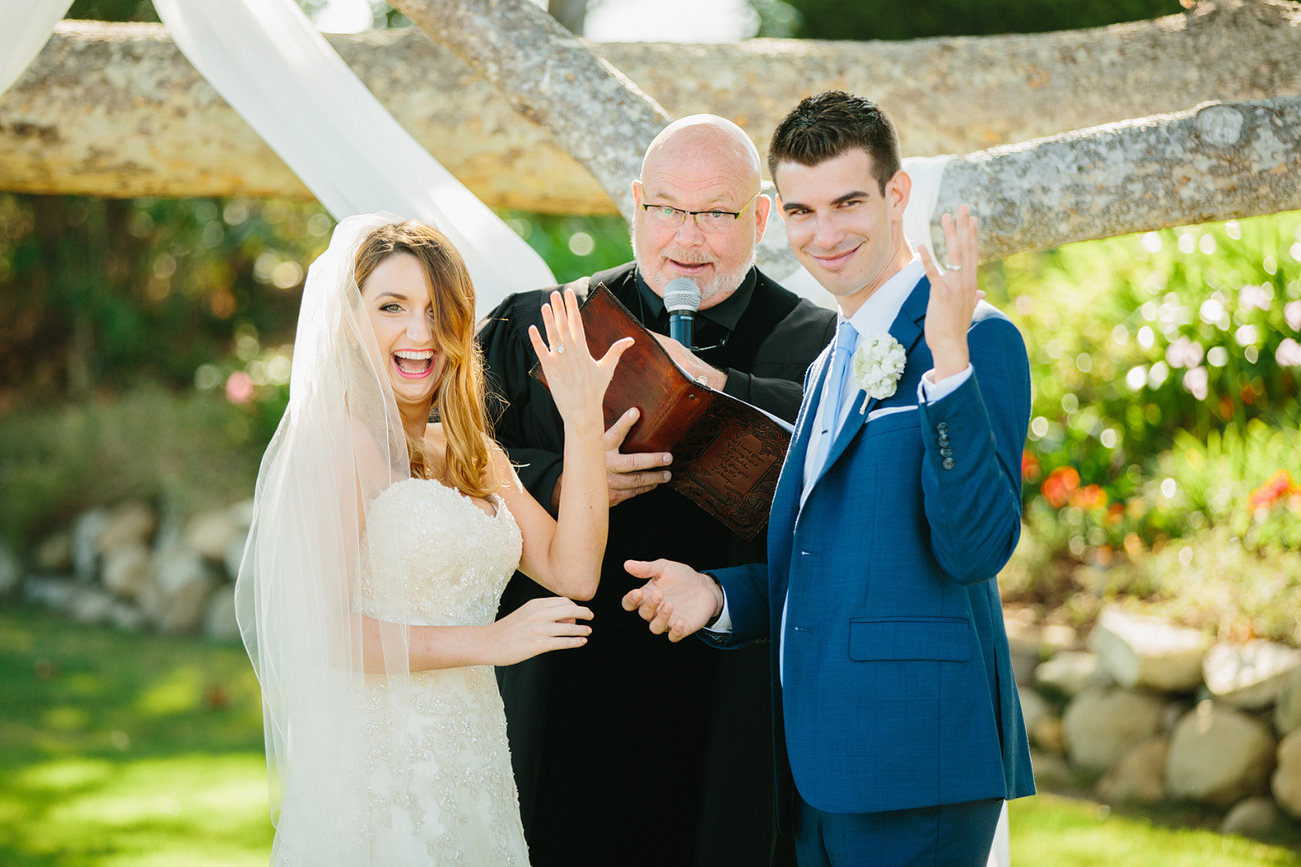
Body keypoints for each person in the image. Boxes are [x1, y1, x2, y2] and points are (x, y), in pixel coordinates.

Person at [623, 91, 1036, 865]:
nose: (827, 232)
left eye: (848, 202)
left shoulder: (975, 339)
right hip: (814, 768)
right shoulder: (828, 362)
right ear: (778, 217)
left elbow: (975, 547)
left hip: (915, 767)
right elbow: (826, 567)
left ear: (896, 195)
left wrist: (947, 370)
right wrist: (717, 595)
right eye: (804, 210)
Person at [478, 115, 837, 865]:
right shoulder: (545, 326)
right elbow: (452, 454)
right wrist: (564, 482)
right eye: (667, 208)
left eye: (715, 213)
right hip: (564, 681)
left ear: (760, 217)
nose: (687, 238)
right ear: (635, 205)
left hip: (733, 695)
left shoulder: (821, 350)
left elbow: (846, 510)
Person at [234, 215, 631, 864]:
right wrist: (489, 641)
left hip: (471, 757)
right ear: (350, 318)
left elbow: (574, 571)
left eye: (436, 309)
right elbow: (327, 630)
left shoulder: (470, 453)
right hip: (377, 772)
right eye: (392, 306)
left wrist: (583, 424)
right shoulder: (339, 442)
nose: (419, 332)